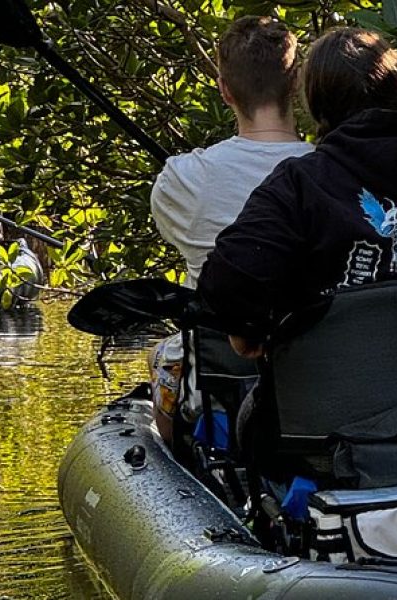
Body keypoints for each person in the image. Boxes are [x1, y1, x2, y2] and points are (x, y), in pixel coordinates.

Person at [198, 27, 397, 358]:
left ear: (316, 104)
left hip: (332, 392)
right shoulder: (298, 184)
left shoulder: (299, 184)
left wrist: (249, 330)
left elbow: (228, 288)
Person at [148, 16, 313, 442]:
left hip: (226, 381)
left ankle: (183, 467)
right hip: (317, 374)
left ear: (225, 90)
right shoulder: (335, 174)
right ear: (295, 84)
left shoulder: (182, 179)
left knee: (161, 356)